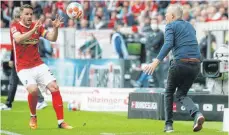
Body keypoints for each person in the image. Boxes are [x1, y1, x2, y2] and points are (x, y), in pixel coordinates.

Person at [143, 4, 205, 133]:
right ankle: (197, 114)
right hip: (195, 65)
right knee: (181, 94)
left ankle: (168, 125)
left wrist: (156, 62)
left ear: (172, 16)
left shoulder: (170, 26)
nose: (164, 16)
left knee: (169, 92)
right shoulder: (190, 26)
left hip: (180, 63)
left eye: (166, 14)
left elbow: (168, 44)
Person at [11, 4, 74, 129]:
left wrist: (55, 29)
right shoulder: (15, 26)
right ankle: (33, 116)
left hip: (38, 64)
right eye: (27, 14)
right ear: (21, 15)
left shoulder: (37, 26)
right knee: (33, 90)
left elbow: (52, 38)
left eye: (31, 14)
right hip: (23, 67)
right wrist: (33, 31)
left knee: (54, 87)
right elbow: (18, 39)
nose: (29, 16)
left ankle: (61, 122)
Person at [1, 7, 48, 111]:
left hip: (22, 62)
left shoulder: (18, 28)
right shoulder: (16, 28)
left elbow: (17, 46)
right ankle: (10, 103)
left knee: (19, 82)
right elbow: (15, 46)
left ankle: (39, 100)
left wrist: (12, 59)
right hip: (20, 61)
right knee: (16, 82)